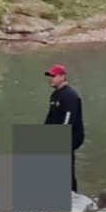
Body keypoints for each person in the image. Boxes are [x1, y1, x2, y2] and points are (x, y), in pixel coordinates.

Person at [43, 63, 86, 192]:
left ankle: (72, 194)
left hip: (72, 135)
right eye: (50, 76)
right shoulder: (55, 95)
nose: (51, 78)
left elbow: (69, 119)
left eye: (54, 76)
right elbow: (51, 117)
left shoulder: (70, 95)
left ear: (62, 77)